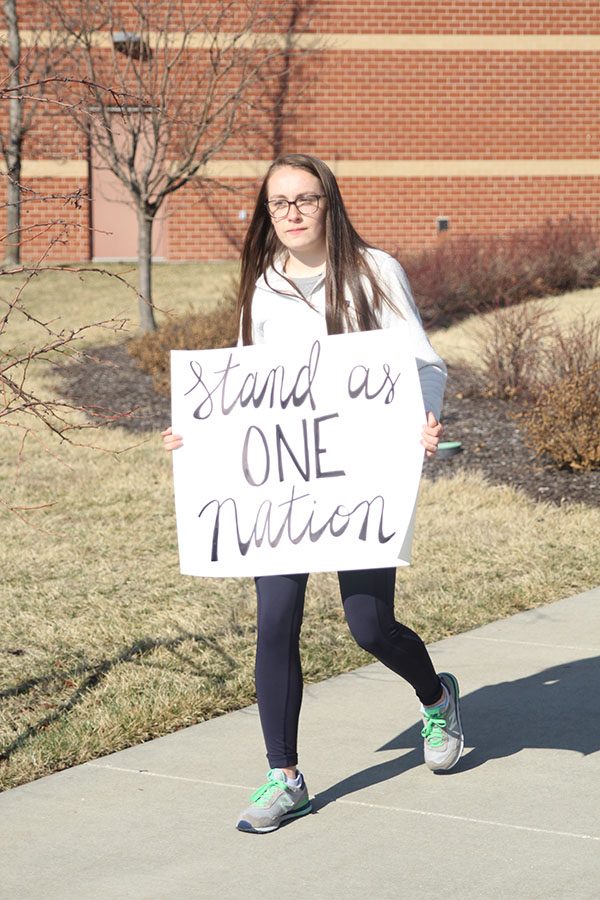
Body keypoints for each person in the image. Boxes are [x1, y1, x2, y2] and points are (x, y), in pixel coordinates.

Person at [162, 153, 464, 834]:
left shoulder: (374, 272)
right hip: (281, 489)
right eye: (279, 203)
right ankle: (285, 776)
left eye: (305, 199)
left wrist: (423, 422)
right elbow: (243, 386)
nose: (292, 213)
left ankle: (436, 694)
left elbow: (424, 363)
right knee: (275, 620)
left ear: (329, 203)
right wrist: (196, 436)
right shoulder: (263, 287)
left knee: (369, 626)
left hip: (357, 480)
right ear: (268, 214)